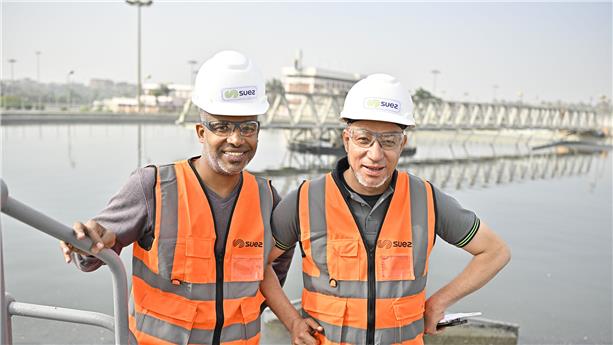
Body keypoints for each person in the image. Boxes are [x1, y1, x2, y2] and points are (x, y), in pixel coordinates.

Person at [60, 50, 294, 345]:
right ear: (201, 131)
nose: (236, 139)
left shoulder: (267, 198)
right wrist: (88, 241)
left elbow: (276, 263)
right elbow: (90, 258)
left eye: (248, 127)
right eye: (221, 126)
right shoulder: (153, 188)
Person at [261, 73, 511, 345]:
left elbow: (495, 252)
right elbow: (258, 263)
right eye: (364, 139)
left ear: (403, 144)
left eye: (389, 141)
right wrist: (291, 320)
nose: (376, 154)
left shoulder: (426, 200)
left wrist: (439, 302)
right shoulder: (305, 200)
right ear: (347, 140)